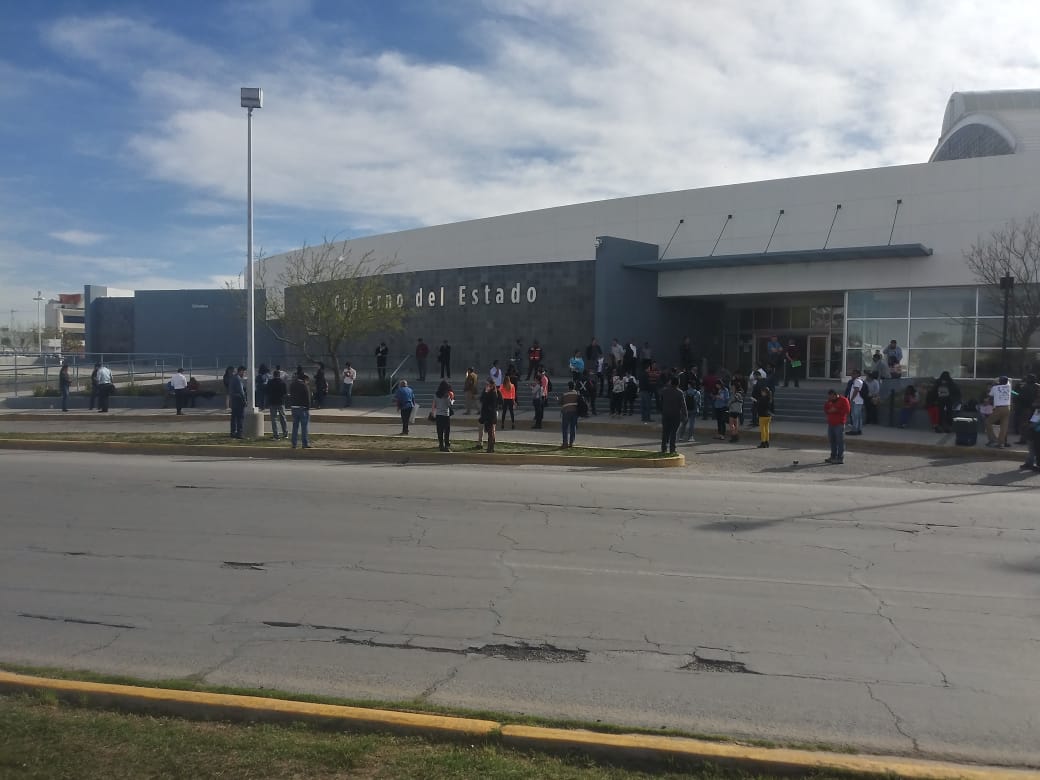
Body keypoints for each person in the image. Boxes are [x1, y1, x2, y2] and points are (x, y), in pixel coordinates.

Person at [659, 376, 687, 454]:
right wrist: (685, 415)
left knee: (665, 432)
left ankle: (664, 448)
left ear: (671, 382)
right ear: (678, 383)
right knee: (673, 432)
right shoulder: (680, 392)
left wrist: (662, 410)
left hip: (666, 413)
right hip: (675, 414)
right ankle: (672, 449)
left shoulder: (664, 391)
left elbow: (661, 402)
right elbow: (683, 405)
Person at [824, 388, 851, 464]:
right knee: (832, 440)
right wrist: (828, 411)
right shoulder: (829, 401)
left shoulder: (844, 400)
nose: (831, 398)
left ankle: (840, 458)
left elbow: (847, 410)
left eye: (832, 397)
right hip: (831, 424)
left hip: (839, 424)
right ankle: (833, 456)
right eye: (829, 397)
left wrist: (836, 410)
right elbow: (825, 408)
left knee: (840, 441)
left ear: (836, 395)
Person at [986, 375, 1013, 448]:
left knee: (988, 422)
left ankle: (992, 440)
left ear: (999, 381)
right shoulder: (1009, 387)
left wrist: (994, 382)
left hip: (999, 408)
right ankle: (1001, 444)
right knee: (1004, 426)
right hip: (1007, 408)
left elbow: (990, 396)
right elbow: (1009, 380)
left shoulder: (995, 388)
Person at [289, 367, 311, 448]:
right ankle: (305, 443)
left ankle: (294, 443)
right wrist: (308, 407)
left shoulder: (292, 385)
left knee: (295, 426)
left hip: (294, 407)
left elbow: (290, 395)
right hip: (303, 408)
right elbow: (307, 398)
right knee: (304, 427)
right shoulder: (304, 385)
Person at [478, 378, 500, 452]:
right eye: (486, 384)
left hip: (491, 414)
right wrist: (486, 392)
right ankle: (490, 447)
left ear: (491, 385)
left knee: (491, 432)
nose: (486, 386)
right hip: (487, 414)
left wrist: (486, 393)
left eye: (488, 384)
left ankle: (490, 448)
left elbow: (491, 402)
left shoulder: (493, 392)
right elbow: (481, 399)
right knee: (490, 431)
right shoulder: (487, 391)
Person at [1015, 375, 1038, 444]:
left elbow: (1020, 397)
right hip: (1036, 409)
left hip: (1026, 408)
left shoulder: (1025, 387)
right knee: (1034, 424)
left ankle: (1024, 440)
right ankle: (1033, 439)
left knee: (1024, 425)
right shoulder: (1037, 386)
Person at [432, 380, 454, 451]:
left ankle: (441, 445)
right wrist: (452, 401)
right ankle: (446, 444)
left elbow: (434, 404)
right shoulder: (446, 395)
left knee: (440, 430)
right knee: (446, 431)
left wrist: (433, 412)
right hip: (445, 415)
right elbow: (449, 405)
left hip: (438, 414)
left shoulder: (436, 395)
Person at [267, 368, 288, 440]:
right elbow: (285, 393)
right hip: (281, 402)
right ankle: (285, 433)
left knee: (274, 419)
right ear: (279, 375)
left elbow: (267, 391)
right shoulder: (282, 383)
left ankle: (276, 435)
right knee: (283, 418)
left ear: (273, 375)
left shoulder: (270, 382)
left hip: (272, 402)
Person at [228, 365, 247, 438]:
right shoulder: (238, 379)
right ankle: (239, 433)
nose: (244, 374)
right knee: (240, 417)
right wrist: (244, 401)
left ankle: (233, 432)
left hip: (233, 400)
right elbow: (241, 391)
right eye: (244, 372)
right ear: (241, 371)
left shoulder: (233, 378)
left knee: (234, 417)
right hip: (239, 400)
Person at [560, 380, 579, 448]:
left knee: (565, 428)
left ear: (568, 386)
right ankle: (571, 443)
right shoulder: (577, 393)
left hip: (566, 412)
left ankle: (565, 443)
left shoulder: (565, 394)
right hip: (575, 412)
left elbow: (560, 402)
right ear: (574, 386)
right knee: (573, 427)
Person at [847, 368, 865, 435]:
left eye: (853, 374)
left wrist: (851, 399)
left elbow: (856, 390)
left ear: (857, 374)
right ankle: (859, 429)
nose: (852, 375)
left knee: (855, 416)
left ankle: (855, 430)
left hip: (856, 401)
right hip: (858, 401)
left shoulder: (857, 381)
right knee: (858, 416)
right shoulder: (859, 380)